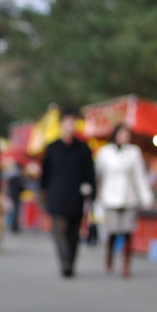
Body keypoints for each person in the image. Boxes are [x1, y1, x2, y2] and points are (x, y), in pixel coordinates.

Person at [40, 109, 96, 278]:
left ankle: (70, 261)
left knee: (74, 233)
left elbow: (90, 174)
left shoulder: (83, 149)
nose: (70, 125)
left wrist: (91, 193)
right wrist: (43, 194)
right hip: (57, 196)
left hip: (76, 197)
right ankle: (65, 261)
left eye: (73, 122)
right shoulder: (52, 148)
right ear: (62, 124)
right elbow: (45, 175)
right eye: (67, 121)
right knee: (60, 230)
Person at [95, 124, 153, 278]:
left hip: (129, 198)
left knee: (128, 232)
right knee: (113, 231)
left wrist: (146, 196)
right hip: (110, 198)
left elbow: (139, 176)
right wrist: (97, 195)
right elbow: (99, 175)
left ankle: (126, 265)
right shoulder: (105, 152)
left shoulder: (134, 152)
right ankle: (109, 258)